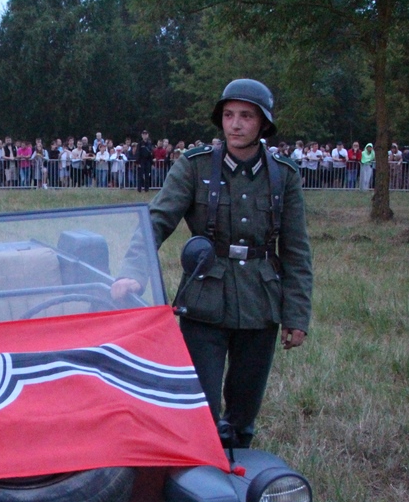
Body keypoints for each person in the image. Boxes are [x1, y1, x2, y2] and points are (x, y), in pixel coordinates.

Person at [111, 79, 313, 449]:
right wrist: (132, 272)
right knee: (199, 404)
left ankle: (238, 463)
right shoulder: (195, 165)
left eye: (246, 116)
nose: (235, 124)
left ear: (263, 123)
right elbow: (156, 221)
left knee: (244, 408)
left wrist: (296, 315)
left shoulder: (284, 174)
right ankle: (201, 467)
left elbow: (296, 249)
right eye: (229, 115)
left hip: (260, 301)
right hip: (205, 297)